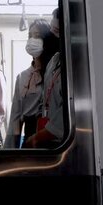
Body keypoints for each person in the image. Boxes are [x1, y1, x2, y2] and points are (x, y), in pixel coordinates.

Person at [7, 18, 58, 148]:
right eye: (30, 35)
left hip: (52, 138)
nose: (32, 40)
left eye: (37, 36)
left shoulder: (55, 73)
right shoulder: (23, 77)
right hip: (29, 139)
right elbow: (16, 118)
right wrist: (11, 150)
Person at [25, 8, 63, 148]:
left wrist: (40, 136)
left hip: (59, 137)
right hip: (44, 132)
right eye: (53, 32)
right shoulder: (54, 62)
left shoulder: (75, 64)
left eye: (58, 32)